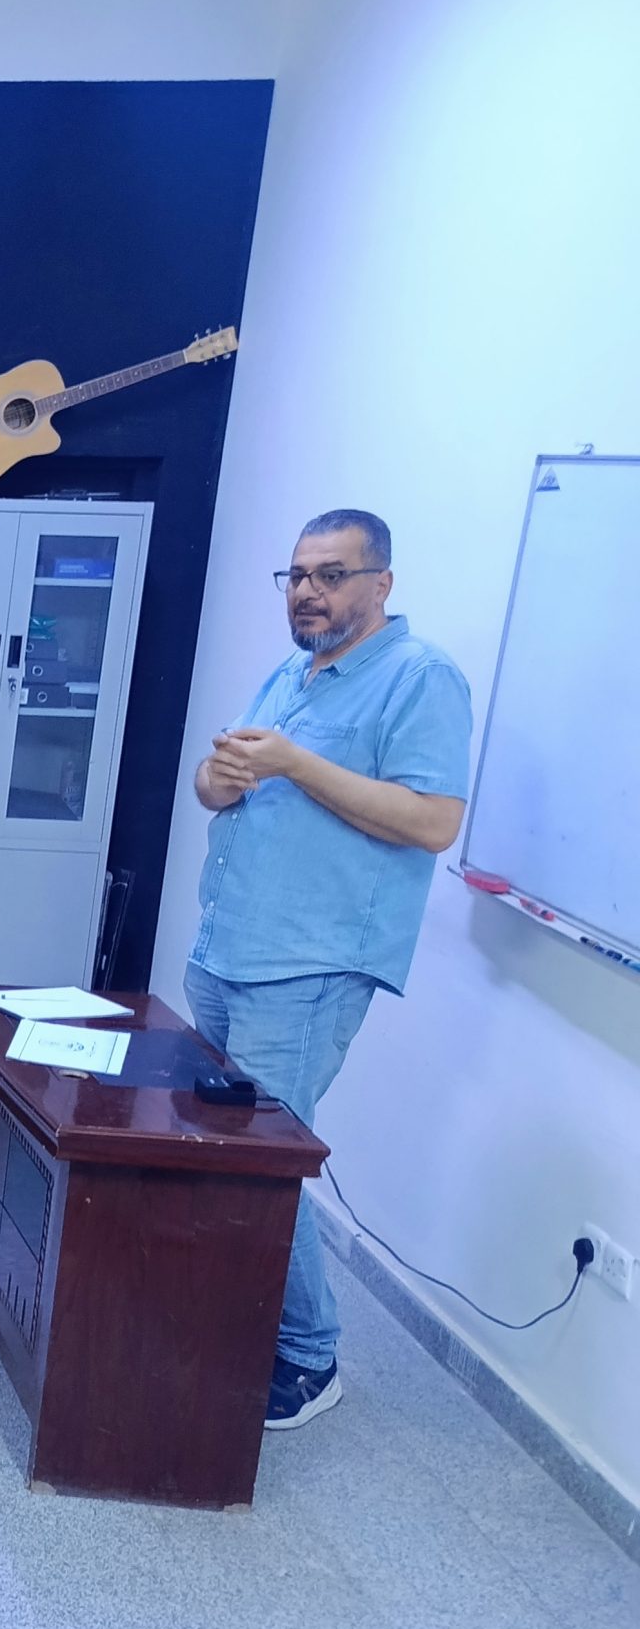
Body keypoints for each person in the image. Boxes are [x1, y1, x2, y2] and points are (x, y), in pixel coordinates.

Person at [187, 508, 472, 1430]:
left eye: (331, 575)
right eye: (298, 575)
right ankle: (236, 1311)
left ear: (381, 583)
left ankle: (309, 1356)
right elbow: (218, 781)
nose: (308, 592)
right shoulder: (292, 671)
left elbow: (433, 821)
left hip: (309, 967)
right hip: (230, 946)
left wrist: (296, 765)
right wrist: (219, 781)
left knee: (267, 1159)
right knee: (221, 1149)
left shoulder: (420, 678)